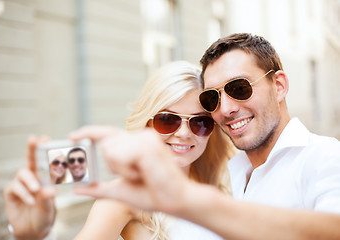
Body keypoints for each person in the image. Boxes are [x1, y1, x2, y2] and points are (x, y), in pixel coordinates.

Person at [70, 33, 340, 240]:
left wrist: (186, 198)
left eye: (240, 88)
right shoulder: (236, 176)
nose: (227, 108)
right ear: (147, 122)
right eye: (167, 120)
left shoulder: (325, 157)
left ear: (279, 86)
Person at [3, 61, 235, 240]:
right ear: (146, 123)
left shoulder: (223, 188)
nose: (184, 133)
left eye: (200, 122)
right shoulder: (122, 197)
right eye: (167, 120)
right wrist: (31, 236)